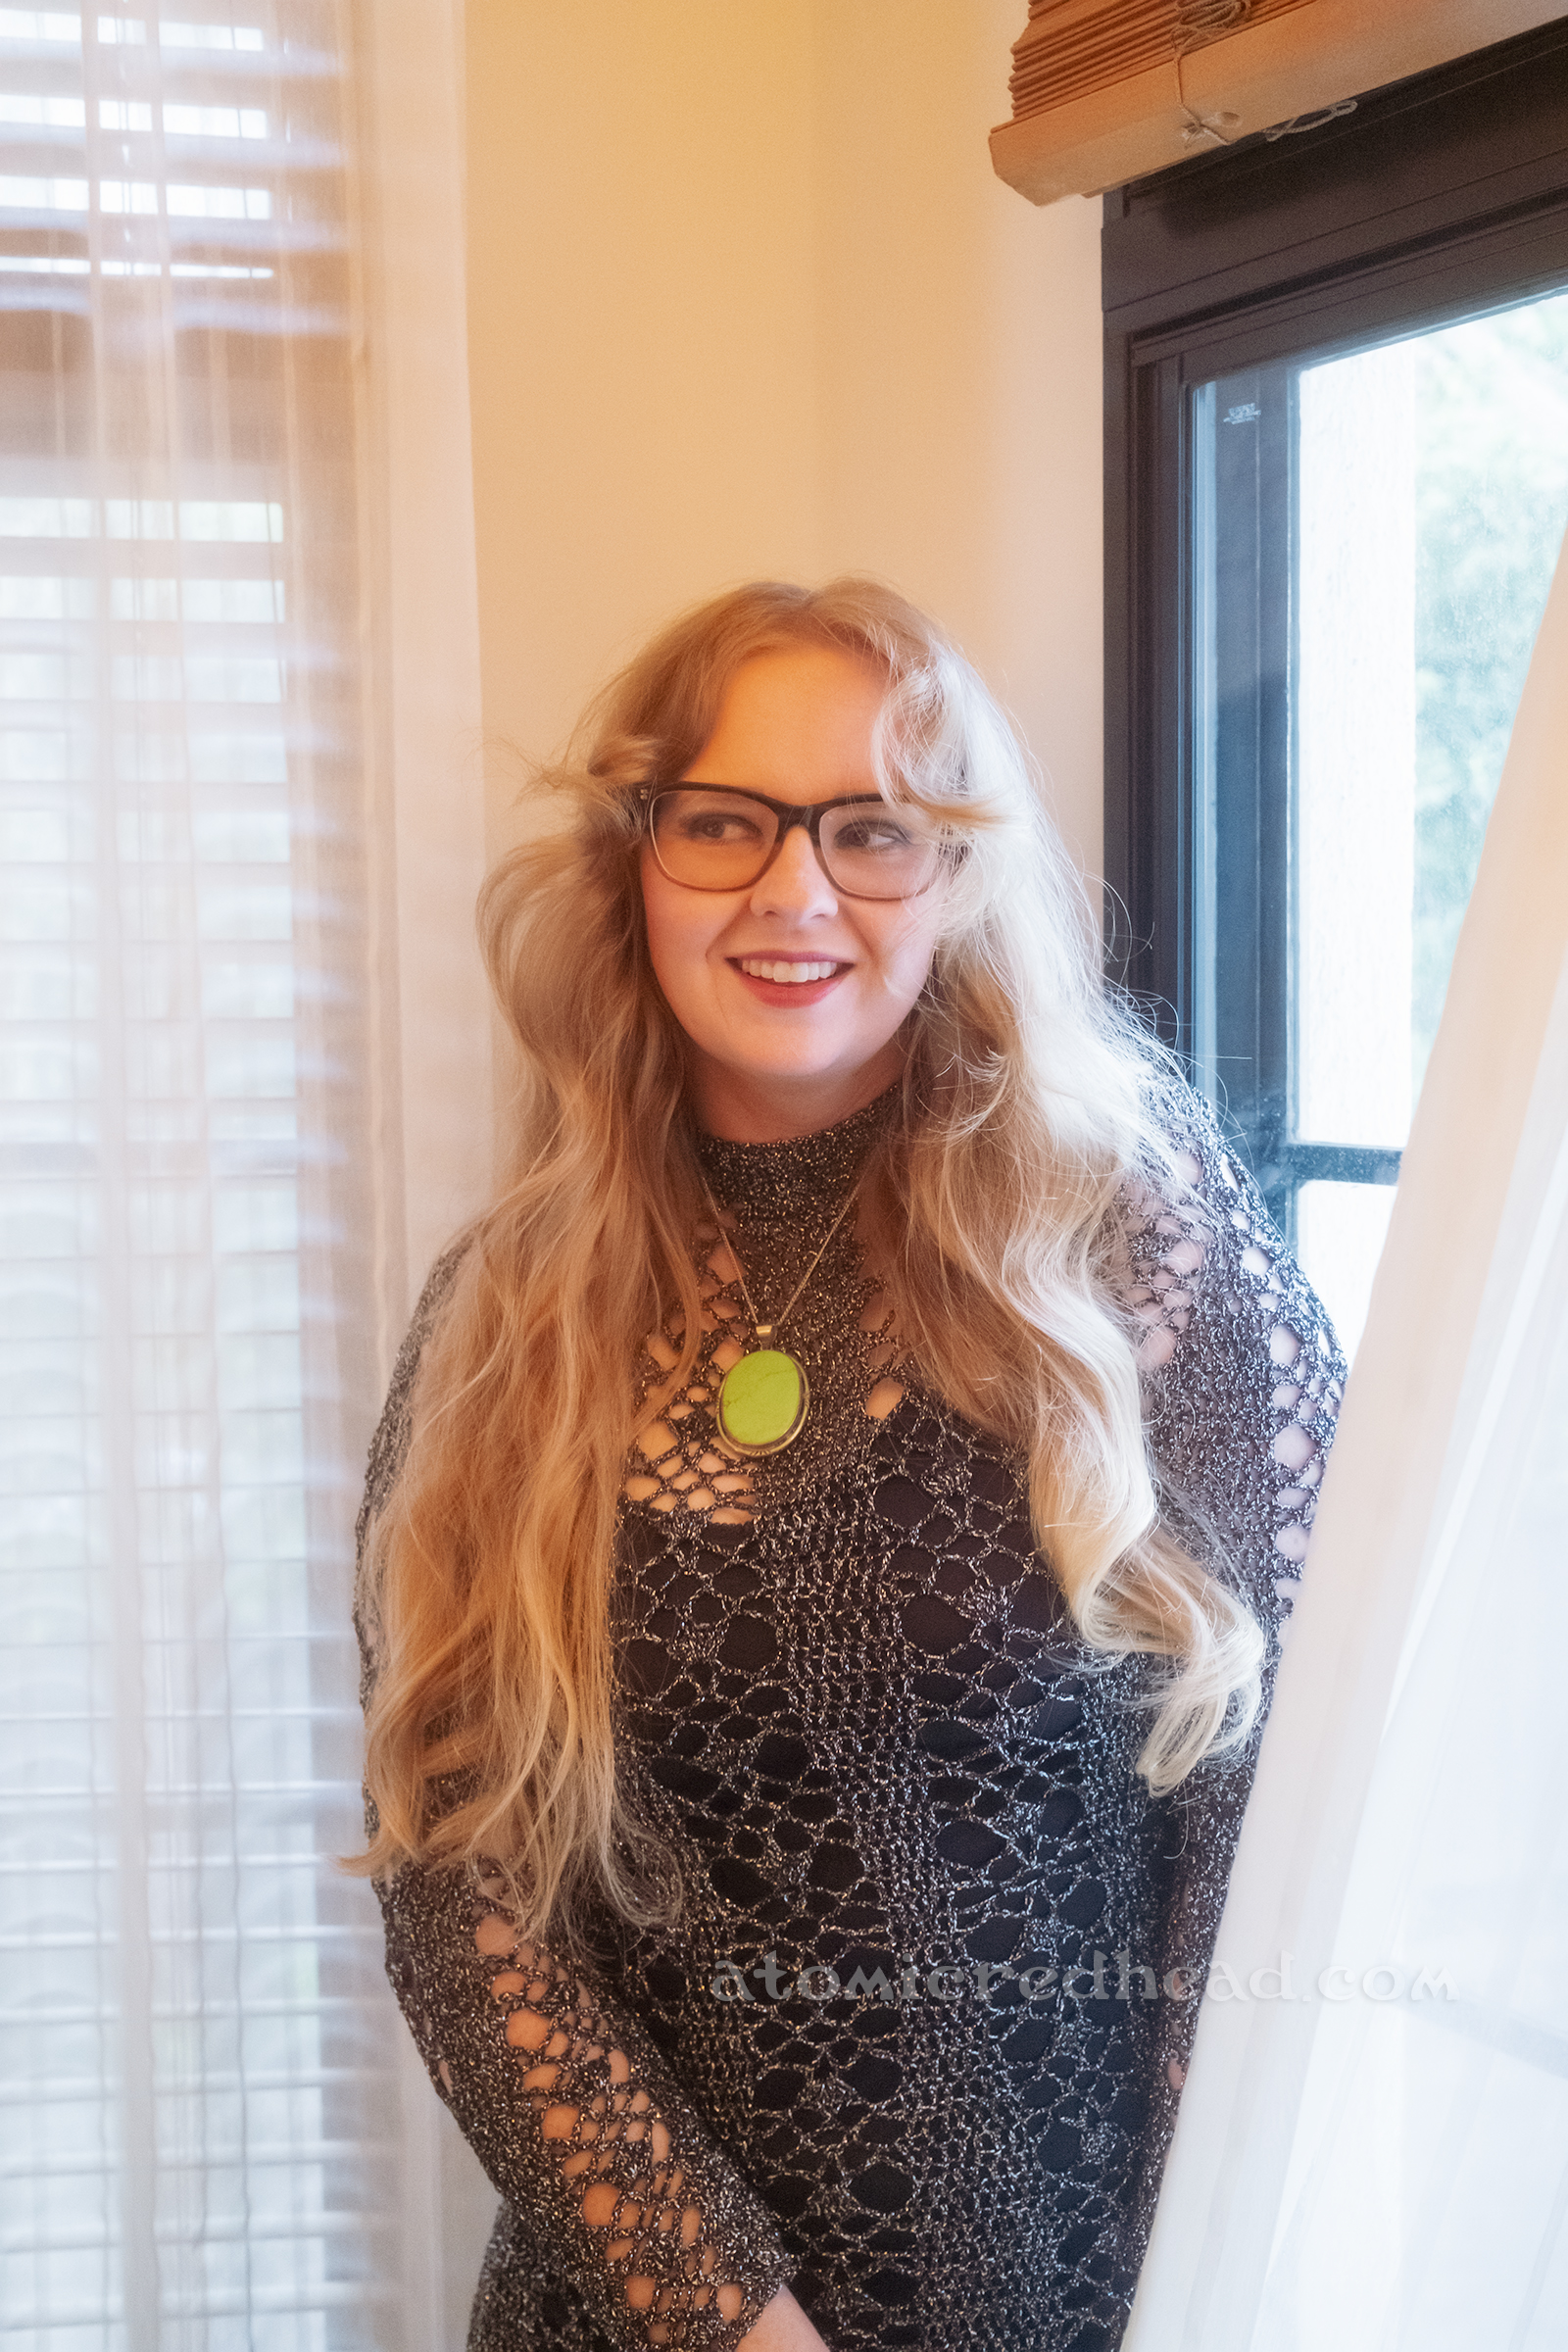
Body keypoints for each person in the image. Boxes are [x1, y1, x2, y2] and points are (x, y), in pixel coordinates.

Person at [352, 578, 1343, 2352]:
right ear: (636, 858)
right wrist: (740, 2327)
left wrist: (1206, 2282)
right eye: (724, 821)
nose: (795, 892)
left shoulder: (1132, 1245)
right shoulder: (509, 1318)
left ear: (956, 877)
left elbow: (1284, 1795)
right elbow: (460, 1894)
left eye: (872, 829)